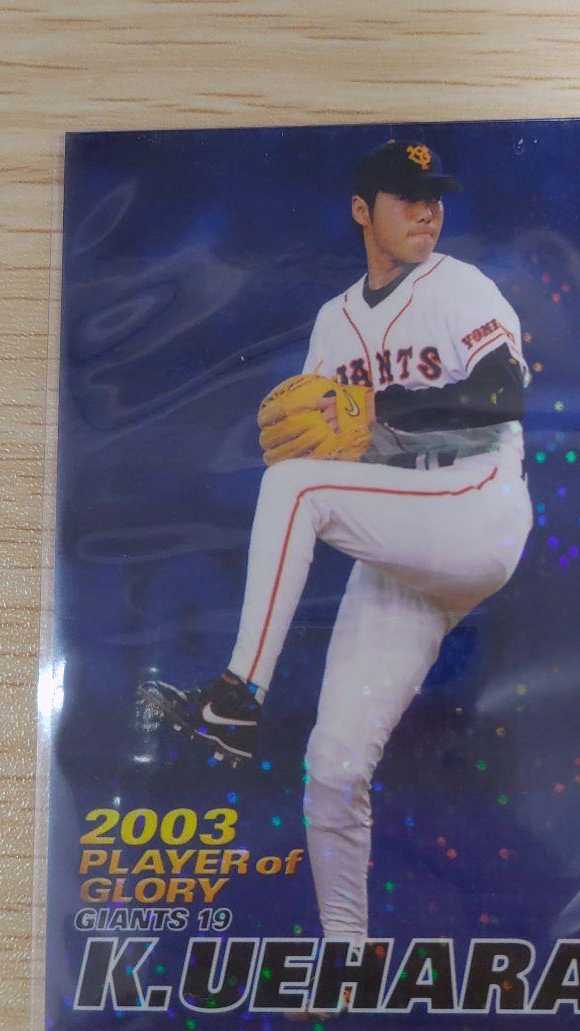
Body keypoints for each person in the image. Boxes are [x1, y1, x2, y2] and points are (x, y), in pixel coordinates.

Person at [140, 139, 533, 954]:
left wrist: (378, 409)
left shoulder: (459, 285)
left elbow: (503, 393)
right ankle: (347, 955)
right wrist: (321, 440)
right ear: (362, 210)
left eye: (434, 196)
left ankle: (236, 696)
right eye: (406, 196)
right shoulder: (334, 322)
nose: (427, 210)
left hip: (475, 506)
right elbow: (326, 447)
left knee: (297, 490)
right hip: (403, 542)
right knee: (334, 767)